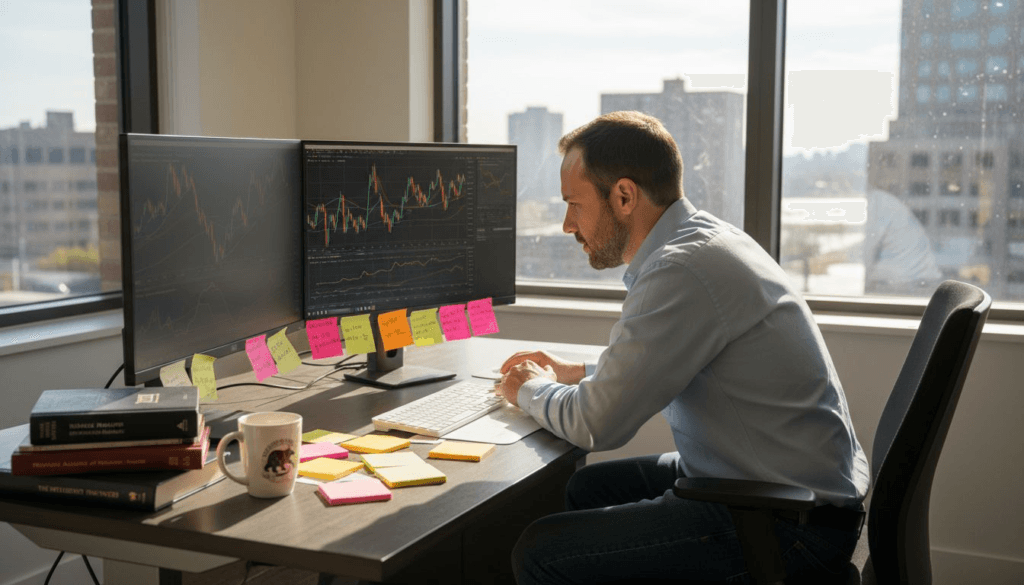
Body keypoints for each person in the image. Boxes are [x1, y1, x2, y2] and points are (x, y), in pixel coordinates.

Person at [496, 111, 870, 584]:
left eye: (574, 203)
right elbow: (666, 359)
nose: (568, 224)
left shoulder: (682, 271)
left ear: (624, 196)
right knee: (590, 486)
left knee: (540, 551)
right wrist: (577, 372)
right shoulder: (705, 241)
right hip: (783, 490)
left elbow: (594, 424)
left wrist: (530, 389)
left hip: (786, 526)